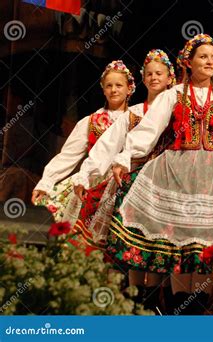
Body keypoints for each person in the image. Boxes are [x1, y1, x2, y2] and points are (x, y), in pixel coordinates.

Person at [94, 34, 213, 313]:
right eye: (203, 57)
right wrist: (124, 157)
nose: (210, 62)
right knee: (180, 248)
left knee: (205, 250)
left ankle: (195, 311)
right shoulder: (172, 95)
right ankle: (175, 311)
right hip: (176, 174)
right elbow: (147, 132)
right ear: (188, 62)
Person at [70, 50, 176, 313]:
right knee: (134, 246)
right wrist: (86, 175)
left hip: (168, 185)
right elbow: (106, 147)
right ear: (142, 79)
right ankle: (137, 303)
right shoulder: (135, 113)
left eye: (158, 73)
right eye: (148, 73)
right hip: (134, 187)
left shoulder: (178, 110)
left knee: (163, 246)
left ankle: (160, 303)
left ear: (170, 78)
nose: (153, 77)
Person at [31, 60, 135, 227]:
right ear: (103, 89)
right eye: (109, 86)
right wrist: (47, 182)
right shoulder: (90, 122)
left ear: (129, 88)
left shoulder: (137, 120)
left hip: (124, 184)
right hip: (92, 183)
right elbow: (68, 156)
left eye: (119, 85)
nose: (113, 90)